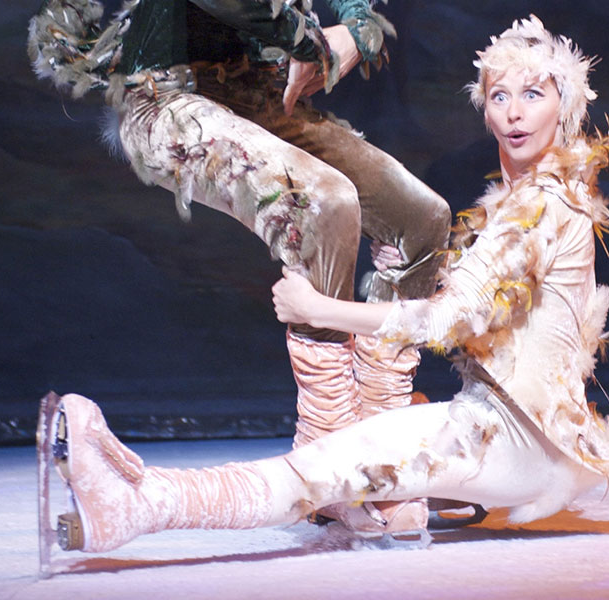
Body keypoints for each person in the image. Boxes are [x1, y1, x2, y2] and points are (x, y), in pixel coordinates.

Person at [37, 15, 609, 556]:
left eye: (534, 94)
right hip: (518, 435)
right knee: (354, 453)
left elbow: (445, 321)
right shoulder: (537, 200)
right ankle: (396, 497)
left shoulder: (540, 209)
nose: (513, 112)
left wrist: (320, 308)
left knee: (318, 471)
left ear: (566, 108)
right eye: (499, 95)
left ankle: (138, 505)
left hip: (513, 438)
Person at [28, 0, 450, 531]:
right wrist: (315, 44)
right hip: (171, 98)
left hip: (259, 94)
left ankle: (381, 445)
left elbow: (353, 15)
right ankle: (328, 456)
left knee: (422, 216)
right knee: (325, 204)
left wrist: (357, 28)